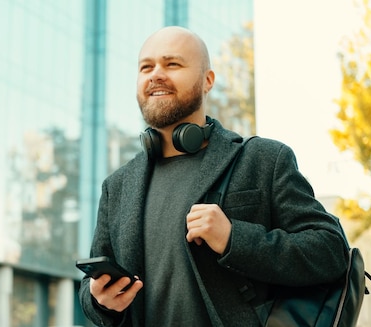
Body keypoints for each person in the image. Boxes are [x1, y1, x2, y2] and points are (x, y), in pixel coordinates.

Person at [78, 26, 349, 327]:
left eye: (172, 64)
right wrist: (99, 300)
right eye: (146, 67)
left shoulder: (263, 160)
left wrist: (234, 239)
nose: (155, 74)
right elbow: (91, 293)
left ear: (207, 81)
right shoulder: (118, 186)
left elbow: (330, 250)